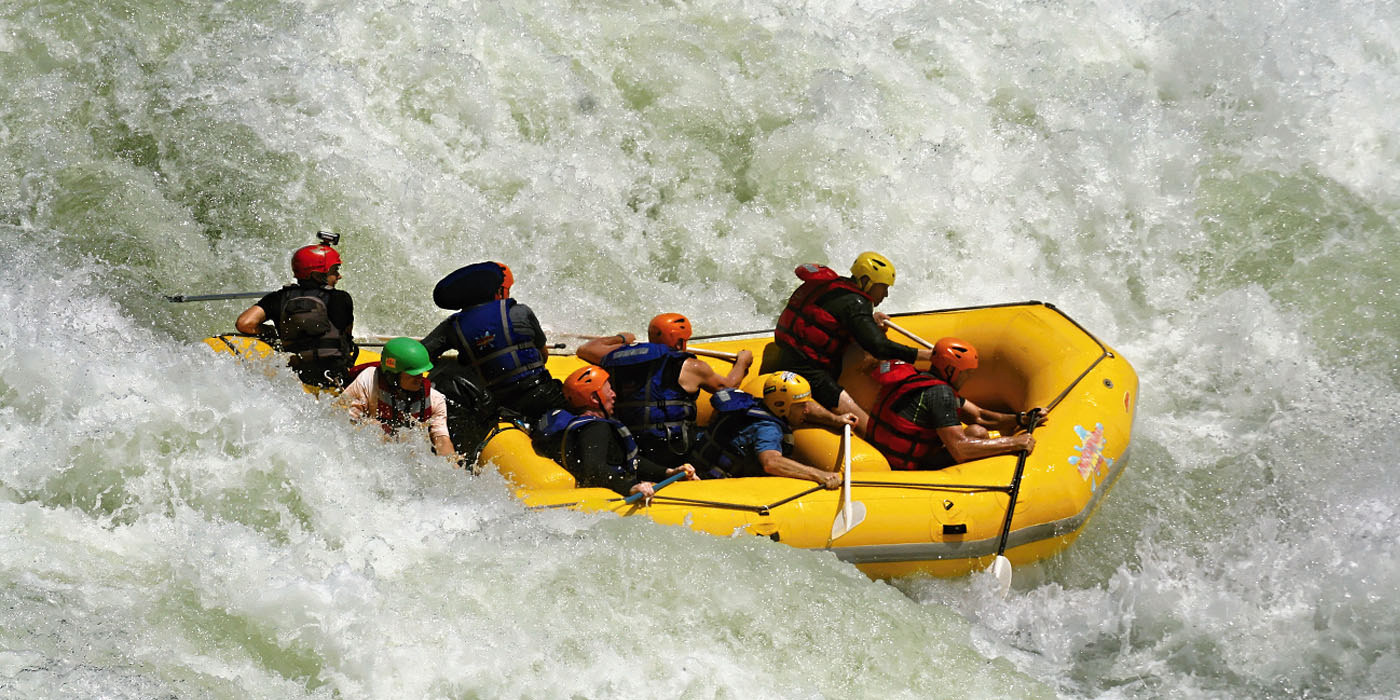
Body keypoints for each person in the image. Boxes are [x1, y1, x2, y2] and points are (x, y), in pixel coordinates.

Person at [764, 252, 934, 432]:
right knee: (867, 425)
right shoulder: (856, 303)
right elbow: (879, 347)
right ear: (867, 282)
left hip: (791, 359)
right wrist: (926, 355)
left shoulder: (835, 287)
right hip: (809, 373)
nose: (885, 294)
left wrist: (869, 320)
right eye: (882, 287)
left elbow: (835, 316)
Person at [576, 313, 754, 470]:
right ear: (678, 340)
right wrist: (742, 362)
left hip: (631, 447)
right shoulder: (690, 366)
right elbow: (728, 387)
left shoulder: (618, 358)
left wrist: (622, 338)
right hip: (675, 451)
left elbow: (586, 349)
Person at [865, 337, 1046, 470]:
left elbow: (979, 416)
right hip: (910, 467)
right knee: (979, 435)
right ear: (951, 369)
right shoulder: (940, 393)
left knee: (977, 430)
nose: (969, 377)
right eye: (966, 372)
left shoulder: (917, 378)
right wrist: (1014, 442)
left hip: (887, 453)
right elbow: (960, 450)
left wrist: (1021, 419)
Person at [421, 262, 566, 422]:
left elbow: (421, 356)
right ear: (496, 290)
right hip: (543, 394)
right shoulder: (519, 311)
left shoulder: (452, 327)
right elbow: (543, 357)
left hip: (500, 405)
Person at [533, 366, 696, 501]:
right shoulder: (595, 429)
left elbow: (628, 460)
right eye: (608, 390)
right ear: (594, 399)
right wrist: (631, 487)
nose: (614, 394)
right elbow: (594, 469)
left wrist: (668, 472)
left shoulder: (575, 424)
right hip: (601, 499)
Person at [689, 372, 853, 488]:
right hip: (711, 485)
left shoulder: (754, 404)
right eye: (802, 405)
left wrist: (835, 419)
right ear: (781, 406)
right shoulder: (768, 429)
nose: (807, 410)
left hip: (698, 466)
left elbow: (804, 409)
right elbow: (771, 463)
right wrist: (820, 475)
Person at [235, 241, 356, 388]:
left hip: (295, 378)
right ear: (318, 276)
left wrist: (270, 332)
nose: (339, 276)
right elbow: (346, 337)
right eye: (334, 271)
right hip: (333, 376)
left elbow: (244, 324)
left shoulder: (278, 297)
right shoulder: (341, 298)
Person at [340, 337, 457, 462]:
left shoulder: (435, 399)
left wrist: (453, 468)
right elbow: (341, 421)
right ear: (392, 376)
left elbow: (442, 440)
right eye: (413, 375)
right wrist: (370, 429)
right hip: (371, 454)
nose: (419, 379)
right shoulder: (368, 382)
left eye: (421, 373)